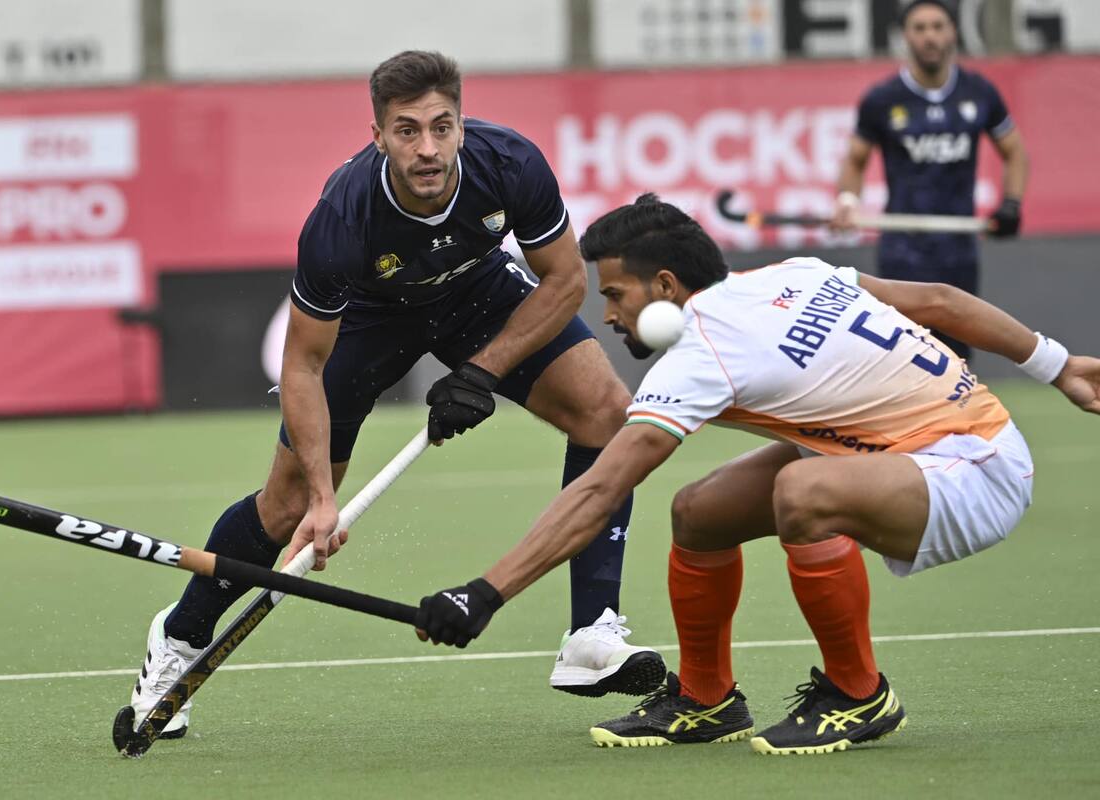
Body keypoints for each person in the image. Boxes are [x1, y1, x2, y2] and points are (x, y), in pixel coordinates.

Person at [413, 194, 1100, 755]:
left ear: (665, 287)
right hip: (905, 450)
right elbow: (940, 302)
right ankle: (706, 699)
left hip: (974, 470)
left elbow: (600, 490)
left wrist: (486, 594)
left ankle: (858, 694)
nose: (608, 313)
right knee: (699, 511)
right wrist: (1057, 364)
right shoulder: (788, 274)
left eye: (615, 294)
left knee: (802, 493)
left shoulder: (700, 356)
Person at [127, 51, 666, 738]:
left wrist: (482, 372)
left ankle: (591, 633)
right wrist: (322, 499)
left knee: (607, 415)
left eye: (441, 127)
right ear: (379, 135)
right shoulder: (343, 217)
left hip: (478, 293)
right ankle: (180, 638)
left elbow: (564, 281)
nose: (428, 148)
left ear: (462, 125)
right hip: (370, 319)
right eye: (407, 131)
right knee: (285, 504)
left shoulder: (511, 164)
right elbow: (303, 365)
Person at [832, 0, 1030, 361]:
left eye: (938, 27)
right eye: (920, 28)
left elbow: (1015, 152)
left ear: (953, 32)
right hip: (902, 250)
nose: (930, 37)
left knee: (956, 360)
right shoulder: (882, 99)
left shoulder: (979, 92)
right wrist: (847, 201)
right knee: (904, 357)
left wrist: (1011, 204)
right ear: (905, 36)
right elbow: (855, 160)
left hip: (959, 249)